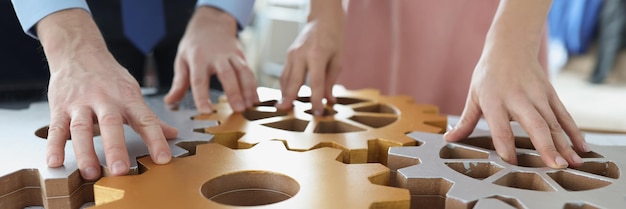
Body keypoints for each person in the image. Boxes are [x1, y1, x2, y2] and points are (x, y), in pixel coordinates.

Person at [278, 0, 589, 169]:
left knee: (481, 155)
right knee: (362, 161)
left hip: (498, 20)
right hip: (377, 15)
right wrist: (322, 12)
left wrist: (515, 40)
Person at [10, 0, 259, 180]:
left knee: (216, 141)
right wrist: (69, 39)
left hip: (195, 10)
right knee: (94, 125)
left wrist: (219, 13)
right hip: (77, 12)